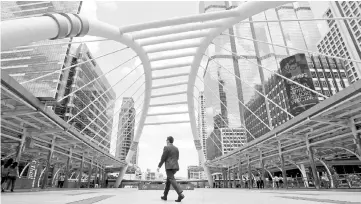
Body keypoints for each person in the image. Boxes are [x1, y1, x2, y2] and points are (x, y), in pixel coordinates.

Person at [157, 136, 185, 202]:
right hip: (175, 167)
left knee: (172, 179)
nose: (166, 141)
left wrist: (159, 166)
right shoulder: (176, 148)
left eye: (166, 140)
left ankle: (180, 194)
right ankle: (165, 196)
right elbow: (177, 158)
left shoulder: (166, 147)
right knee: (168, 181)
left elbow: (163, 158)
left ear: (168, 141)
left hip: (169, 167)